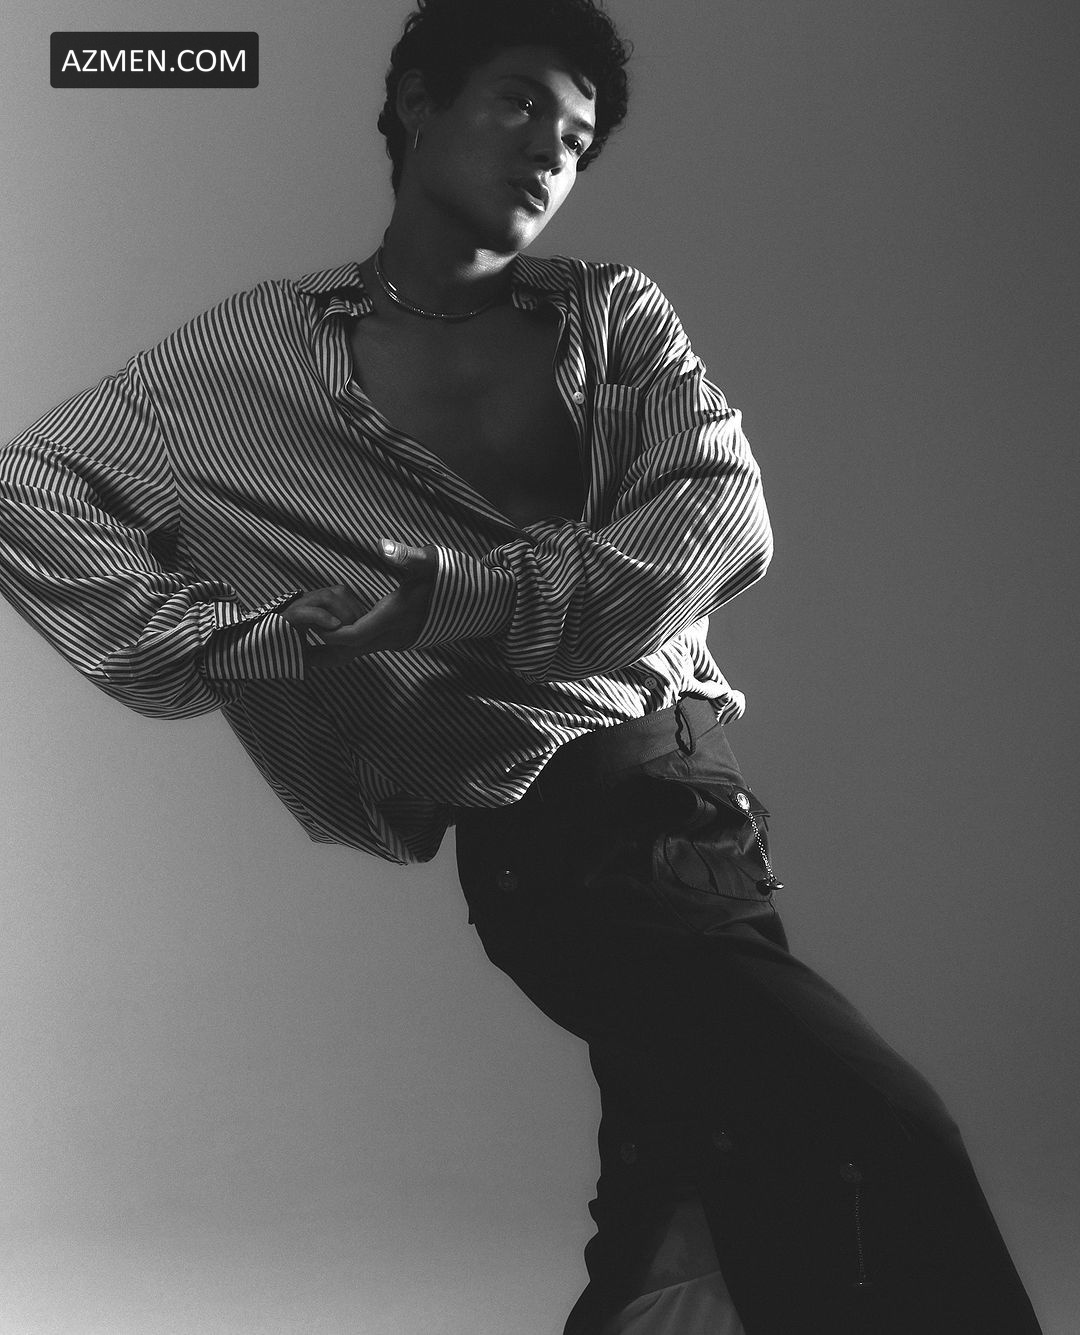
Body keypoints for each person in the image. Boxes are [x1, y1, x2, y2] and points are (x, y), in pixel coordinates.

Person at [0, 1, 1043, 1330]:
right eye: (518, 103)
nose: (552, 148)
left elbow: (721, 517)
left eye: (578, 136)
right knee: (881, 1144)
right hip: (563, 844)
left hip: (698, 806)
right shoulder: (260, 352)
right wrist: (245, 640)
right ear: (418, 103)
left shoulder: (609, 316)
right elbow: (32, 482)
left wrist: (465, 597)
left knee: (692, 1234)